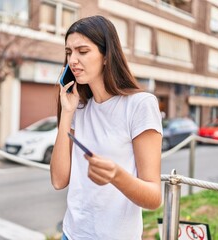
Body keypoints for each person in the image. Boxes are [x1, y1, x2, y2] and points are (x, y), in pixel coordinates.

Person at [50, 15, 163, 240]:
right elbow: (58, 180)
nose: (73, 60)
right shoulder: (79, 107)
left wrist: (116, 175)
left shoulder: (140, 105)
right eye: (68, 52)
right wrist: (67, 112)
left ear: (106, 56)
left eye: (82, 51)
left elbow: (153, 197)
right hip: (71, 234)